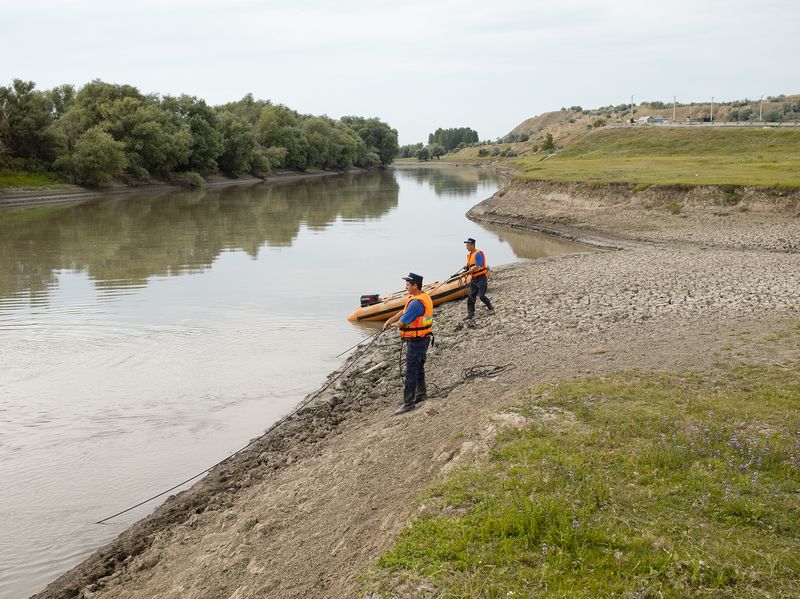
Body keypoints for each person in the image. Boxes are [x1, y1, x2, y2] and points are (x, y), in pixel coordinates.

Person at [382, 272, 433, 415]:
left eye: (407, 284)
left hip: (417, 341)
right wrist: (390, 319)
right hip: (423, 338)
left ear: (415, 286)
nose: (405, 287)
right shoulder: (418, 298)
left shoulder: (417, 303)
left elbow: (403, 323)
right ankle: (421, 394)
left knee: (411, 371)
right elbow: (403, 312)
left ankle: (408, 403)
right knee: (419, 367)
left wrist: (392, 325)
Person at [462, 237, 495, 320]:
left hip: (481, 278)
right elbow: (471, 266)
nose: (466, 247)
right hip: (474, 279)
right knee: (471, 296)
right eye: (466, 246)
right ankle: (470, 313)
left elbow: (477, 267)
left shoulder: (479, 253)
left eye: (468, 245)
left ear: (472, 245)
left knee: (481, 296)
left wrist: (466, 273)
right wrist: (466, 267)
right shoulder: (469, 255)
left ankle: (491, 308)